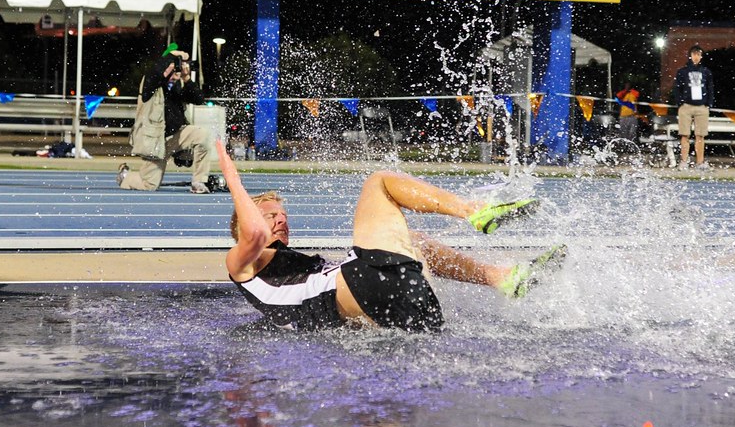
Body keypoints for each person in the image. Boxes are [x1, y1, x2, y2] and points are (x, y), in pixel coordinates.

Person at [218, 139, 565, 332]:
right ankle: (473, 210)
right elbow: (254, 233)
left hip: (394, 307)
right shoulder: (241, 263)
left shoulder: (296, 277)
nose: (280, 220)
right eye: (270, 215)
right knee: (379, 181)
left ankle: (503, 278)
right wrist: (234, 180)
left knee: (413, 240)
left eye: (283, 215)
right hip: (368, 286)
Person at [118, 44, 214, 193]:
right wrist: (174, 55)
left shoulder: (177, 87)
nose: (178, 68)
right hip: (156, 141)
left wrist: (187, 78)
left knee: (203, 135)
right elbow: (156, 72)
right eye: (176, 64)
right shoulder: (150, 84)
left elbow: (199, 98)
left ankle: (198, 182)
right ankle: (125, 176)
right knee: (149, 185)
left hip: (176, 136)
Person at [672, 45, 715, 170]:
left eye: (698, 54)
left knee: (700, 135)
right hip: (686, 106)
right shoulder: (683, 71)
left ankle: (700, 162)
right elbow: (677, 88)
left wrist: (709, 103)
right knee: (684, 135)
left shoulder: (706, 71)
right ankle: (684, 161)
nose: (696, 57)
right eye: (694, 54)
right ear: (690, 56)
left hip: (701, 106)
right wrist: (680, 102)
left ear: (701, 56)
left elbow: (710, 88)